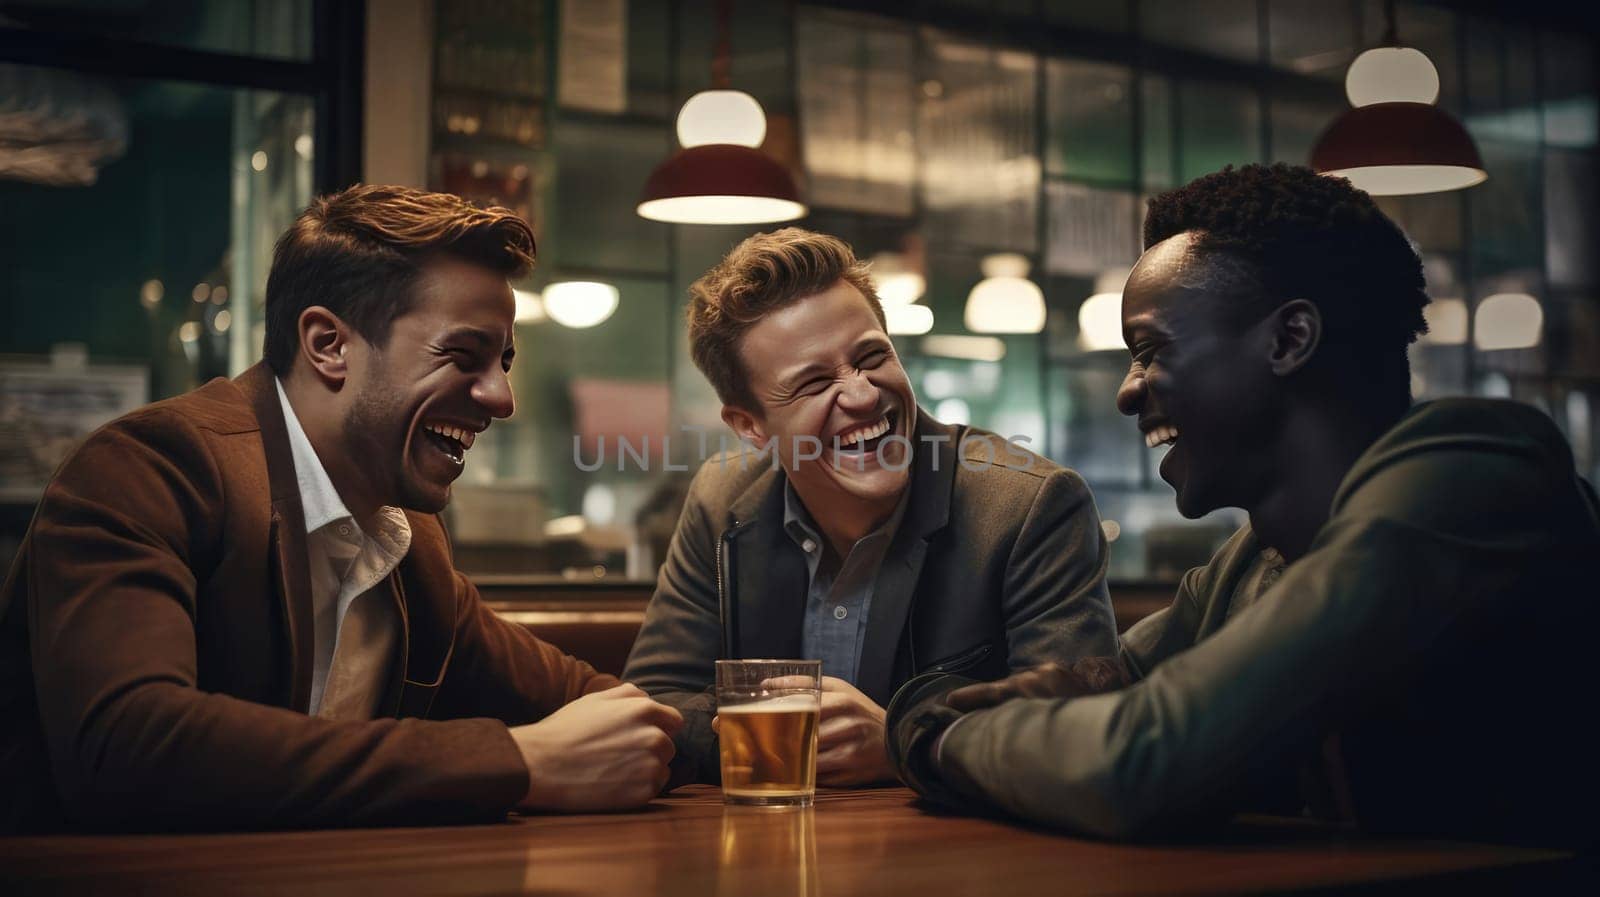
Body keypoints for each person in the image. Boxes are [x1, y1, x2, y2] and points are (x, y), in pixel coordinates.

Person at [886, 164, 1600, 848]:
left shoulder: (1469, 479)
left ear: (1289, 339)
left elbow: (1143, 756)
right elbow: (1098, 688)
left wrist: (937, 738)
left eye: (1149, 349)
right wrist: (933, 708)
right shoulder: (1254, 561)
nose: (1127, 390)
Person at [0, 185, 681, 832]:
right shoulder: (152, 467)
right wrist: (519, 761)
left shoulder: (407, 539)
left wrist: (755, 712)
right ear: (329, 344)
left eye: (502, 361)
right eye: (464, 356)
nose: (502, 398)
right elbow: (127, 744)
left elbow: (584, 700)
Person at [624, 228, 1117, 787]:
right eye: (812, 384)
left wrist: (899, 744)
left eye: (872, 356)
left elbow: (1080, 732)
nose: (862, 396)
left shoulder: (1030, 505)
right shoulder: (720, 500)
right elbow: (653, 710)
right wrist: (787, 740)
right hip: (764, 857)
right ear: (750, 426)